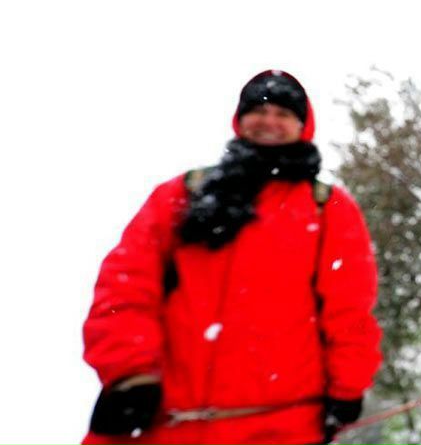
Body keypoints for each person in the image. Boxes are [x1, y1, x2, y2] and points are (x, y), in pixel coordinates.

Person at [82, 70, 382, 445]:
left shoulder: (328, 209)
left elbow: (349, 312)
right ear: (239, 120)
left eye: (284, 113)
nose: (269, 121)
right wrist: (131, 374)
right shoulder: (181, 195)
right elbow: (123, 286)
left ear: (303, 126)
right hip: (160, 422)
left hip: (281, 427)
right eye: (259, 109)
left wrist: (347, 388)